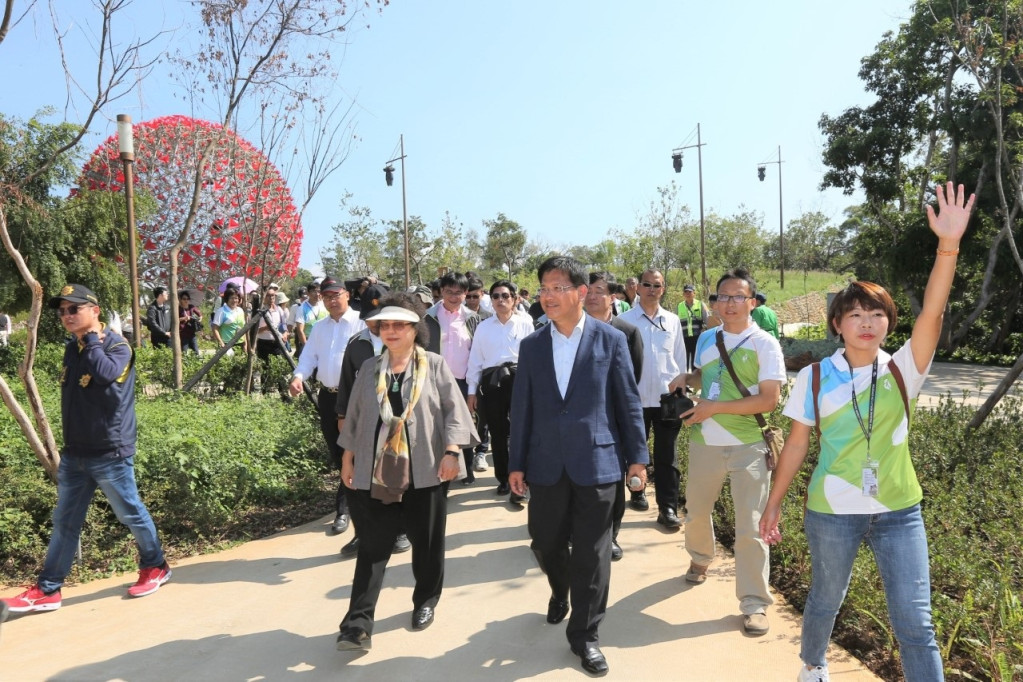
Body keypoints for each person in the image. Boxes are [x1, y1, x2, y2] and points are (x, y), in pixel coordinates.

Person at [760, 183, 973, 682]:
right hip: (832, 512)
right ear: (837, 323)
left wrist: (949, 245)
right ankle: (813, 665)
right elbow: (796, 444)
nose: (867, 322)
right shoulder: (814, 377)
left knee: (916, 622)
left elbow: (934, 313)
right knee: (825, 598)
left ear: (889, 322)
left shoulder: (904, 369)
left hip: (899, 509)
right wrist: (773, 503)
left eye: (877, 313)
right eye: (855, 314)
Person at [509, 256, 648, 677]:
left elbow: (627, 401)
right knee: (545, 542)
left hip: (599, 460)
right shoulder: (532, 345)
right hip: (545, 462)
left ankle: (585, 636)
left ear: (581, 292)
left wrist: (637, 457)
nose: (547, 296)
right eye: (543, 289)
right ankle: (559, 589)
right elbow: (523, 407)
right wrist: (516, 464)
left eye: (557, 288)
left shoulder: (612, 339)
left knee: (593, 552)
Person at [1, 284, 170, 615]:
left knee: (130, 513)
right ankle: (48, 589)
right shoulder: (72, 348)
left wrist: (92, 340)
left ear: (94, 311)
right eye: (62, 311)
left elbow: (105, 374)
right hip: (76, 454)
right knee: (65, 521)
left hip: (110, 451)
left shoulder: (118, 347)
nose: (66, 316)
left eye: (73, 309)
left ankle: (156, 565)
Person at [335, 293, 477, 651]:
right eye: (385, 325)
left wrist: (451, 451)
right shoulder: (369, 368)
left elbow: (455, 412)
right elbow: (354, 418)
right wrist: (348, 458)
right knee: (373, 546)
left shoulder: (434, 365)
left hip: (427, 468)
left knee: (427, 542)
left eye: (400, 324)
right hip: (377, 470)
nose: (392, 331)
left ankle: (426, 600)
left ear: (416, 329)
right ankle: (356, 625)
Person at [668, 266, 786, 636]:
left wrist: (713, 408)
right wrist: (689, 379)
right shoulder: (706, 339)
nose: (730, 304)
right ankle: (700, 559)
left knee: (750, 527)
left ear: (752, 302)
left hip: (749, 446)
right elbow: (706, 377)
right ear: (714, 302)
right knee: (697, 512)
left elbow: (769, 399)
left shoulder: (764, 343)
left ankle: (754, 603)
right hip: (705, 443)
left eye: (738, 297)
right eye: (723, 297)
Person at [334, 284, 411, 558]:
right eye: (369, 316)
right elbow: (347, 384)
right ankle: (363, 533)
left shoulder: (406, 340)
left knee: (397, 474)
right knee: (362, 480)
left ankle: (401, 530)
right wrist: (343, 417)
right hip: (367, 423)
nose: (375, 322)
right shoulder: (357, 344)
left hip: (399, 420)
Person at [288, 276, 366, 537]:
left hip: (357, 398)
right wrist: (298, 377)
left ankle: (345, 509)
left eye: (336, 294)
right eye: (327, 296)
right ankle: (350, 503)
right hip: (329, 398)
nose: (332, 300)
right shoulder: (320, 328)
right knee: (337, 452)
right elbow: (309, 357)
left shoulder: (362, 323)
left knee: (353, 452)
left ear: (347, 295)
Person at [619, 269, 687, 526]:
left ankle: (667, 509)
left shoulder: (671, 321)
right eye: (646, 284)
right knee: (635, 452)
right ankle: (637, 492)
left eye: (656, 285)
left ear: (663, 288)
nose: (651, 289)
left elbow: (679, 357)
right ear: (637, 288)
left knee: (667, 456)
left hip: (666, 398)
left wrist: (681, 386)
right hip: (633, 399)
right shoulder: (623, 321)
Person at [584, 271, 643, 562]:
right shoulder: (569, 330)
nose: (593, 297)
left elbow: (634, 379)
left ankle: (611, 535)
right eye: (589, 291)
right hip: (580, 420)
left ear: (613, 297)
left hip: (613, 421)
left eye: (599, 291)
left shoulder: (627, 332)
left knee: (612, 482)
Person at [466, 280, 534, 501]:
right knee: (497, 432)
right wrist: (471, 392)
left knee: (522, 431)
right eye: (495, 296)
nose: (500, 300)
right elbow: (475, 361)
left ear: (514, 299)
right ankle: (504, 479)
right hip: (492, 383)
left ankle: (523, 480)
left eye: (505, 296)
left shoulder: (526, 323)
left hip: (520, 380)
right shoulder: (483, 327)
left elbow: (534, 358)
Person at [424, 272, 481, 484]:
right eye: (449, 292)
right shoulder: (427, 317)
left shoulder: (473, 319)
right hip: (432, 381)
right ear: (441, 292)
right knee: (435, 426)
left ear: (466, 293)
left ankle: (466, 469)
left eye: (459, 293)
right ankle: (438, 472)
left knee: (462, 425)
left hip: (462, 382)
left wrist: (474, 387)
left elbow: (477, 354)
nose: (454, 297)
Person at [677, 284, 708, 372]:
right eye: (686, 292)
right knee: (683, 361)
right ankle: (684, 383)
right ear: (683, 294)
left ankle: (695, 383)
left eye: (690, 292)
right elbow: (675, 323)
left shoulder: (700, 304)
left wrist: (704, 329)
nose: (688, 293)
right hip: (684, 338)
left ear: (694, 293)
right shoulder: (679, 306)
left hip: (697, 338)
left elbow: (707, 320)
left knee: (696, 362)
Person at [255, 283, 287, 361]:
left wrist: (285, 334)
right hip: (263, 344)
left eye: (273, 295)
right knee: (265, 369)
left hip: (277, 343)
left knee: (277, 366)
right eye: (268, 295)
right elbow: (255, 331)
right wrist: (266, 328)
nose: (271, 297)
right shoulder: (259, 311)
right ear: (264, 296)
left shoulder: (279, 310)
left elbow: (284, 325)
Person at [295, 281, 328, 355]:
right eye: (313, 291)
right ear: (308, 293)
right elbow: (300, 330)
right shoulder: (302, 308)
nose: (317, 294)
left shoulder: (324, 305)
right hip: (309, 342)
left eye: (319, 291)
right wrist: (307, 347)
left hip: (324, 342)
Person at [212, 287, 248, 354]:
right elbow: (215, 328)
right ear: (227, 299)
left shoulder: (240, 310)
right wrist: (221, 343)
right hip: (227, 344)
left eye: (236, 298)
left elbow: (244, 328)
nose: (234, 300)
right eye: (231, 298)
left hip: (240, 343)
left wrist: (245, 343)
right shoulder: (221, 311)